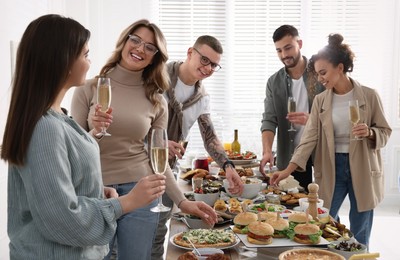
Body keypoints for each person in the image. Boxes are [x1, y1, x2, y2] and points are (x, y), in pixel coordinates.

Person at [0, 14, 167, 259]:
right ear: (64, 61)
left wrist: (97, 191)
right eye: (86, 55)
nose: (90, 63)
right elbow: (62, 217)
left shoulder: (57, 118)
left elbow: (59, 185)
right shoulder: (45, 128)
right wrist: (126, 202)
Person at [71, 19, 218, 260]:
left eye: (150, 47)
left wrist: (182, 202)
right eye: (136, 40)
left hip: (141, 191)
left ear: (155, 57)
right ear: (124, 41)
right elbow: (73, 152)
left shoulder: (156, 99)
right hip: (95, 191)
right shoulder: (88, 88)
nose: (140, 49)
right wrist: (94, 132)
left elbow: (157, 159)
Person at [270, 33, 391, 247]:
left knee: (360, 226)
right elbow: (308, 139)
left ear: (341, 68)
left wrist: (370, 133)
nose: (320, 79)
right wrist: (287, 170)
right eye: (317, 74)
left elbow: (385, 131)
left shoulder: (369, 96)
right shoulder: (320, 100)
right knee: (323, 220)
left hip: (362, 167)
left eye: (323, 72)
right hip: (332, 165)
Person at [151, 35, 244, 259]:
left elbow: (209, 137)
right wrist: (159, 143)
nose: (208, 68)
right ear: (190, 52)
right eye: (205, 60)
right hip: (138, 165)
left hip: (167, 171)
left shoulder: (202, 98)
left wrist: (228, 167)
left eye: (214, 64)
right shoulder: (156, 77)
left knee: (157, 234)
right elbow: (135, 121)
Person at [260, 25, 325, 192]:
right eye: (279, 50)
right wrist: (267, 151)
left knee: (324, 207)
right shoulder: (273, 82)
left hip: (321, 154)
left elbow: (334, 113)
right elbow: (269, 119)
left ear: (300, 44)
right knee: (294, 207)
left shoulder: (320, 74)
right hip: (291, 157)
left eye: (288, 48)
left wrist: (311, 120)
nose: (284, 55)